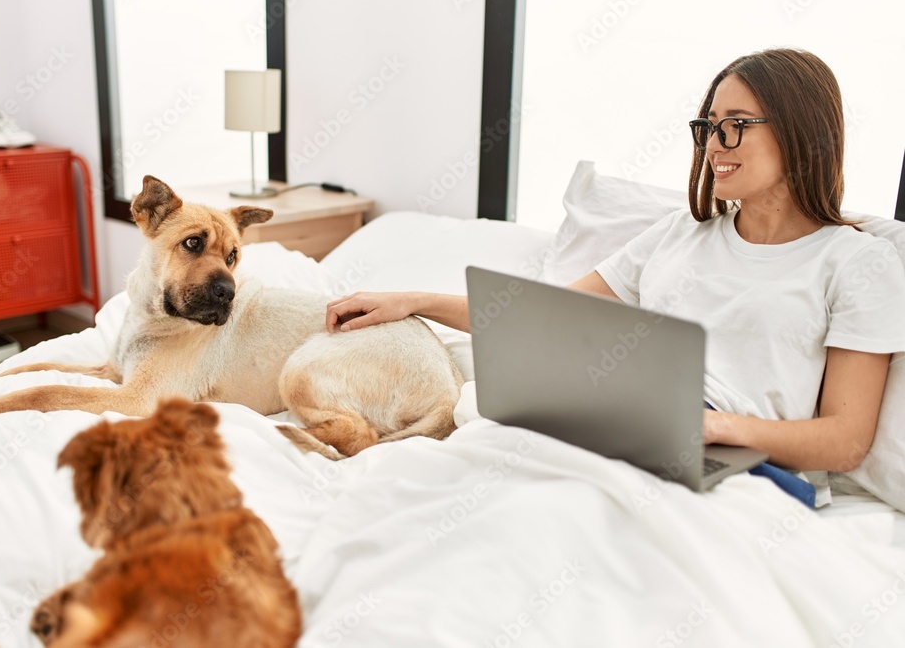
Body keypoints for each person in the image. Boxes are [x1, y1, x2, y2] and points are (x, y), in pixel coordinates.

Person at [324, 48, 905, 497]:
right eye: (707, 127)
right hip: (624, 422)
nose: (713, 145)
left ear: (801, 130)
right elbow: (543, 317)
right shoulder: (681, 233)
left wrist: (720, 428)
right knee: (465, 484)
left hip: (736, 465)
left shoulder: (857, 262)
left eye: (734, 124)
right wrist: (416, 301)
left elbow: (845, 441)